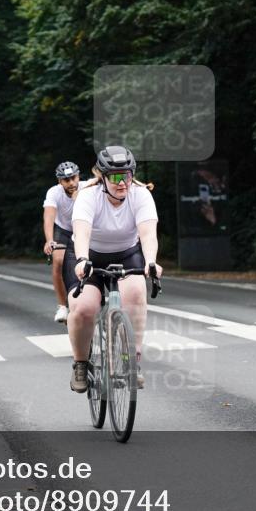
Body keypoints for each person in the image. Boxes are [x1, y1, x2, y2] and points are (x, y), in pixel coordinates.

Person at [64, 146, 162, 393]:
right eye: (116, 177)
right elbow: (82, 231)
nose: (123, 183)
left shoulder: (140, 195)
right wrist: (83, 260)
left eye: (127, 175)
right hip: (88, 255)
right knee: (84, 308)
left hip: (127, 253)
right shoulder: (88, 195)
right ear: (103, 177)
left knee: (137, 293)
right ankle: (80, 363)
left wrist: (151, 262)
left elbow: (148, 234)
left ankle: (133, 361)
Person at [43, 161, 83, 323]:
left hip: (83, 229)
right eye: (66, 180)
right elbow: (49, 217)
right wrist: (49, 240)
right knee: (58, 261)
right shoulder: (54, 193)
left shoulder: (87, 188)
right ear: (60, 182)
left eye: (74, 178)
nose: (71, 183)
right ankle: (62, 306)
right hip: (64, 230)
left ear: (78, 176)